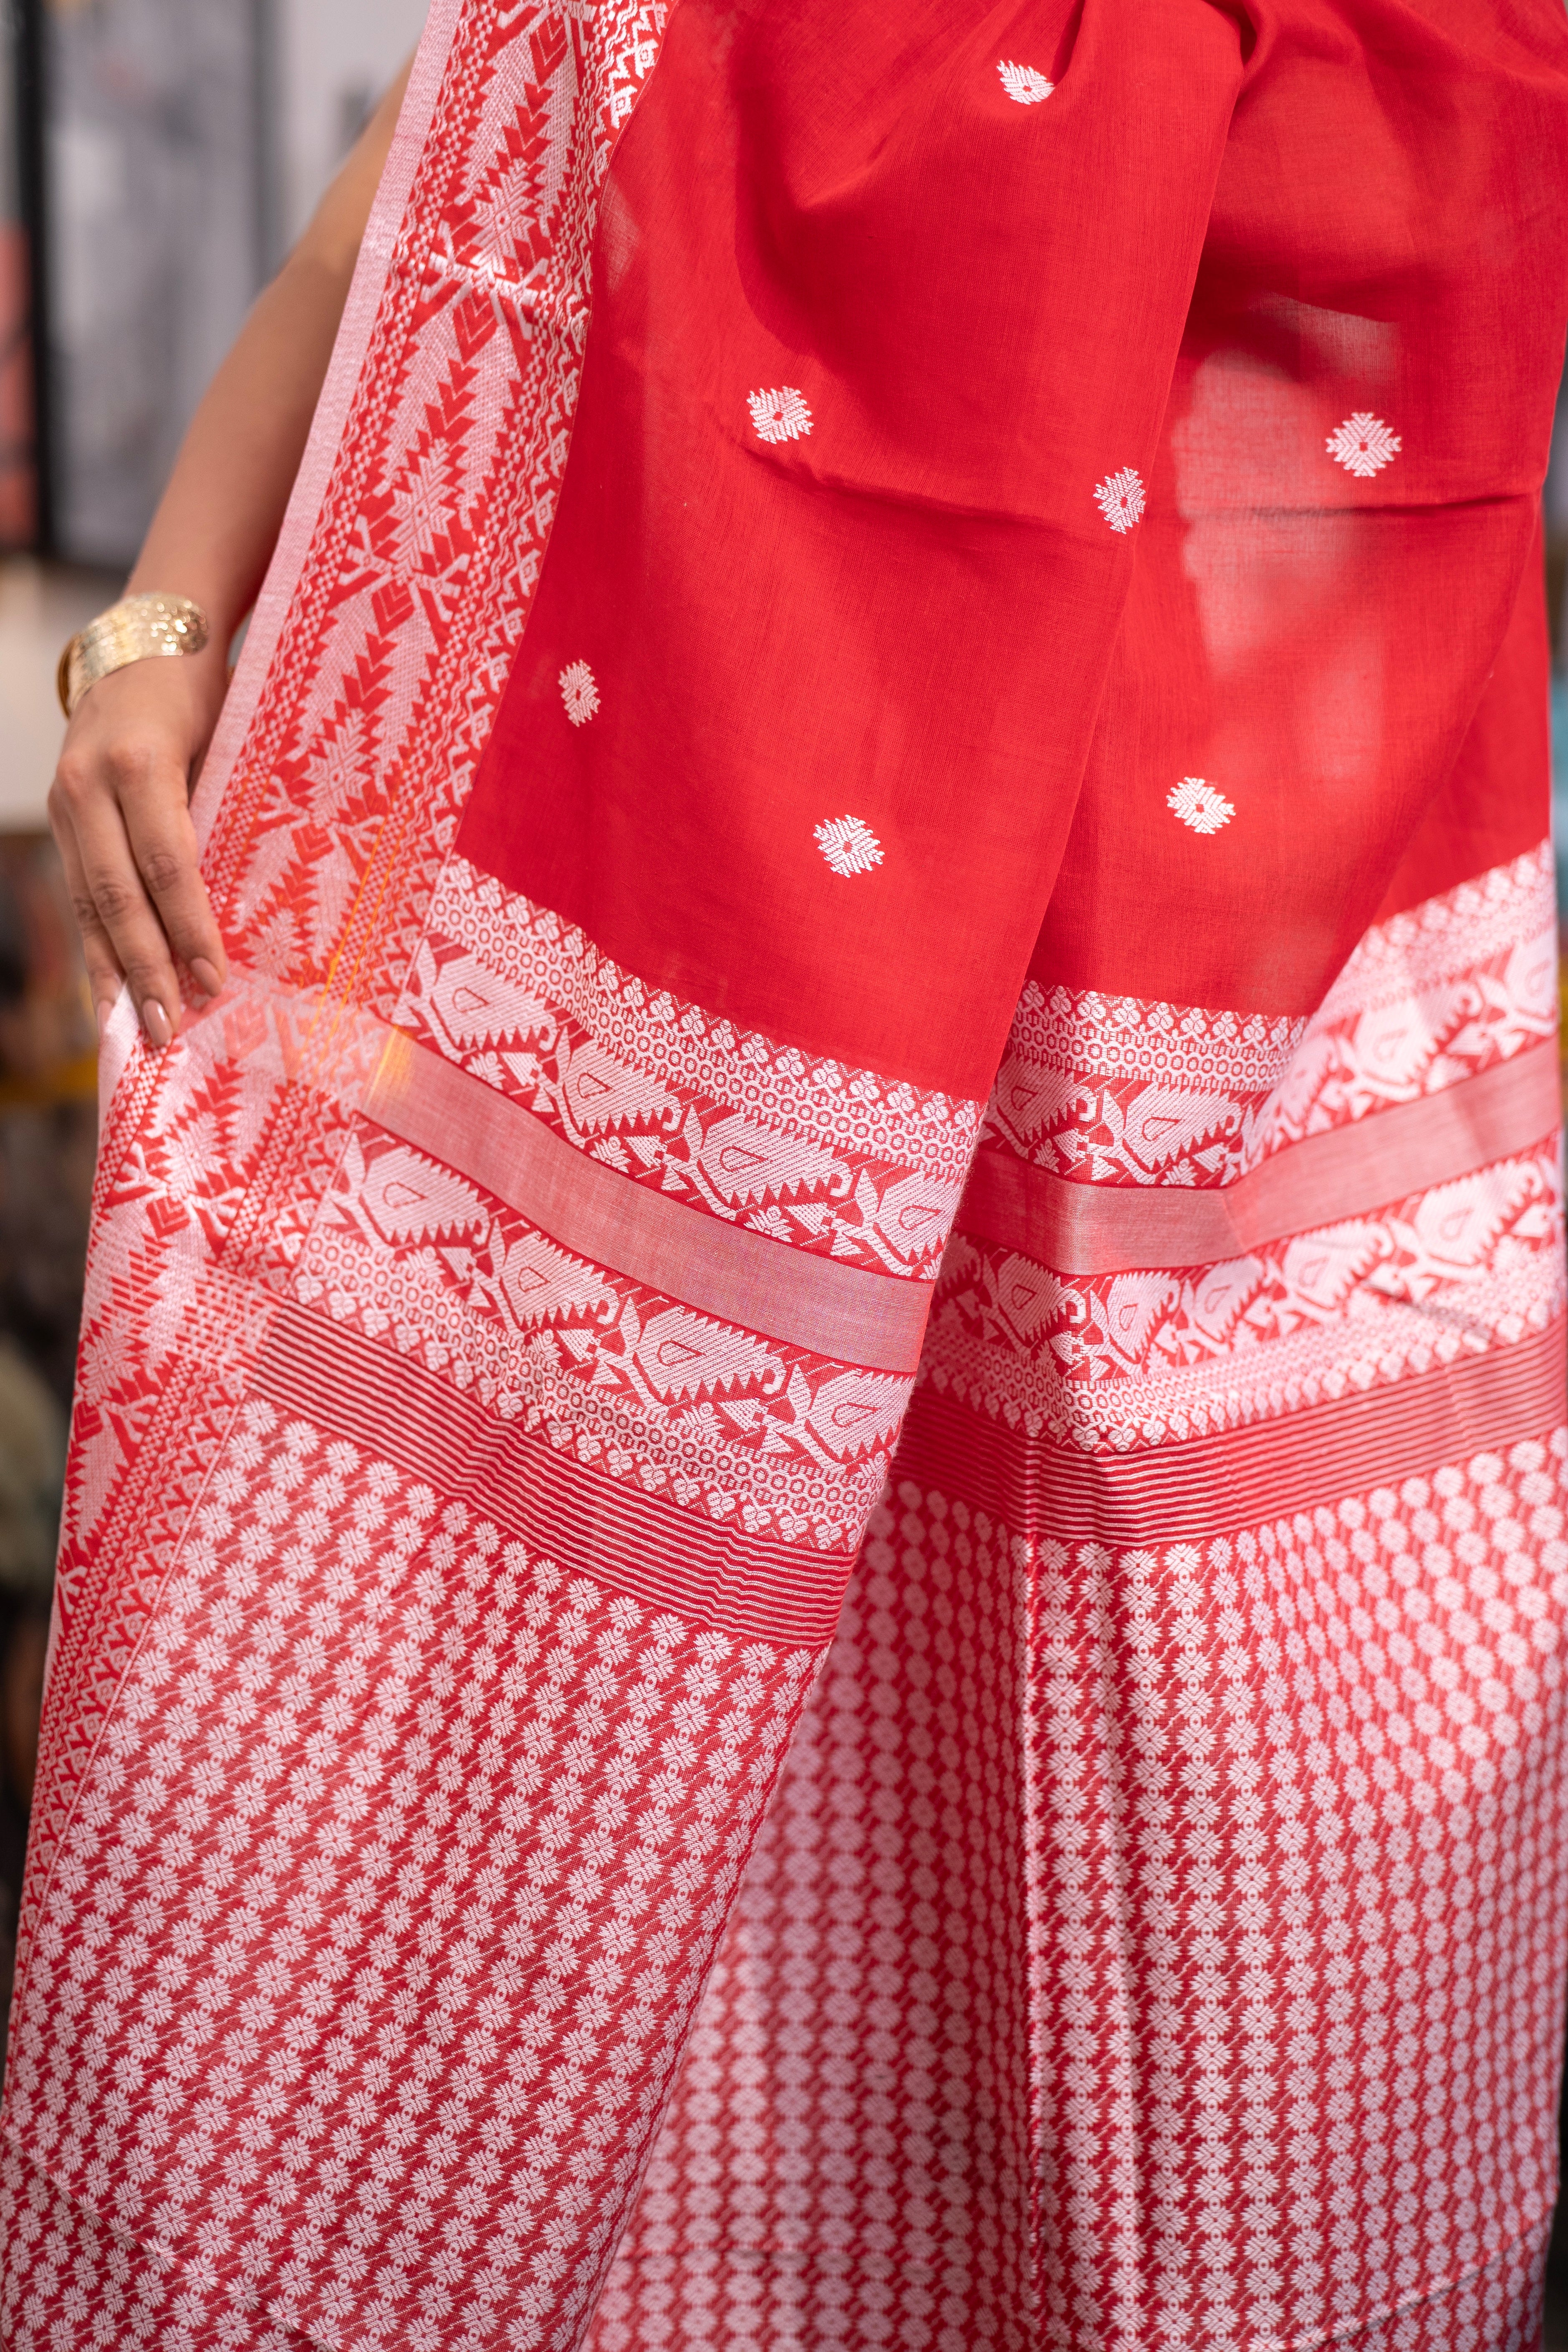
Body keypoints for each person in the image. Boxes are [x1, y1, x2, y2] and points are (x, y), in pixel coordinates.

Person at [4, 3, 1568, 2347]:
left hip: (1196, 1190)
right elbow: (409, 212)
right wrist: (153, 635)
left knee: (1199, 2053)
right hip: (636, 1137)